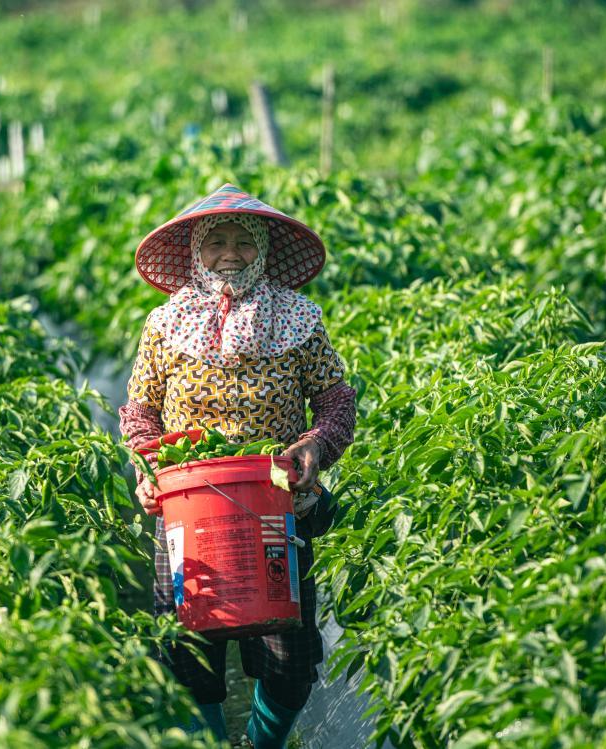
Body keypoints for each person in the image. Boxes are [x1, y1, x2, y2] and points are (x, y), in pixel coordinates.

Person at [118, 183, 357, 748]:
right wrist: (148, 467)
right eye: (217, 241)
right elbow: (140, 410)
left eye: (244, 241)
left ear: (264, 250)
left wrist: (314, 447)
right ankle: (207, 740)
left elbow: (335, 400)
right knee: (188, 643)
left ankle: (258, 743)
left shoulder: (298, 318)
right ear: (197, 254)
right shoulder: (166, 324)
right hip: (188, 500)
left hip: (275, 498)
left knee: (289, 653)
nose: (231, 252)